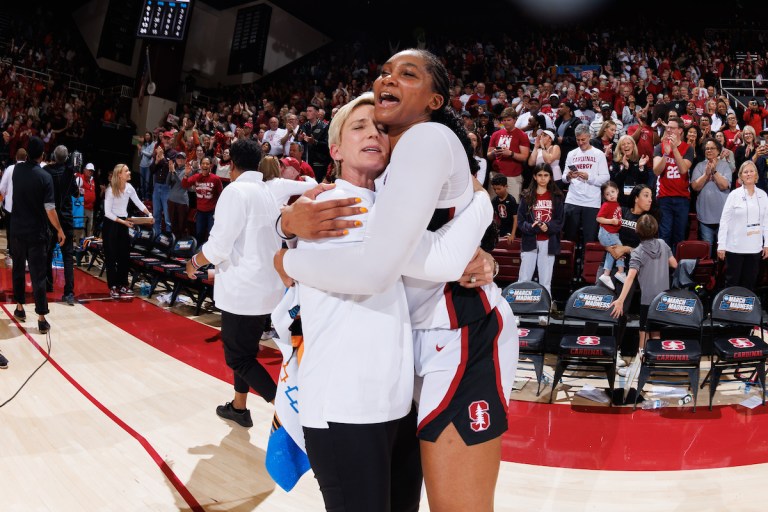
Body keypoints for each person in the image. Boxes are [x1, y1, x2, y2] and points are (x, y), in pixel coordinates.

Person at [276, 48, 517, 512]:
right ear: (336, 149)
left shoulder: (426, 140)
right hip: (400, 357)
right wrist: (285, 229)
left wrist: (291, 259)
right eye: (383, 71)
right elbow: (415, 244)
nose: (387, 78)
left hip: (458, 331)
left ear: (435, 101)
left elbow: (398, 260)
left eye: (407, 74)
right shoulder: (362, 187)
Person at [181, 139, 283, 430]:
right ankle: (239, 408)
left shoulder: (235, 192)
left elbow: (219, 246)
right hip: (266, 288)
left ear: (232, 164)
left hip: (244, 289)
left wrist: (195, 262)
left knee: (238, 359)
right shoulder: (266, 191)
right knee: (246, 353)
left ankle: (287, 411)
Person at [10, 137, 66, 334]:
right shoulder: (45, 177)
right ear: (42, 155)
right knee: (38, 275)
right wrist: (59, 229)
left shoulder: (16, 170)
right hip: (36, 233)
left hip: (16, 230)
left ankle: (19, 308)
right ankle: (41, 318)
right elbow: (50, 209)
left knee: (17, 269)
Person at [609, 215, 677, 360]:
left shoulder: (637, 252)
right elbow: (674, 264)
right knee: (656, 332)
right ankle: (656, 363)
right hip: (662, 299)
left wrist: (620, 300)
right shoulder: (663, 244)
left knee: (644, 333)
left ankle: (642, 365)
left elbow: (630, 277)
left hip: (647, 301)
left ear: (637, 230)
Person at [516, 163, 564, 317]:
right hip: (530, 242)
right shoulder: (526, 196)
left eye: (546, 175)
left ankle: (544, 313)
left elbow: (560, 221)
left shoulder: (556, 196)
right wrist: (533, 227)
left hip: (548, 242)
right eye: (540, 175)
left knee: (545, 280)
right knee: (524, 278)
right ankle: (518, 312)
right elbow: (521, 222)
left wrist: (548, 227)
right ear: (535, 177)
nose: (543, 178)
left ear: (550, 177)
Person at [717, 161, 768, 289]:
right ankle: (729, 309)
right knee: (732, 284)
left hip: (755, 248)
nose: (749, 174)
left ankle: (747, 309)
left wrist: (766, 244)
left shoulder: (763, 195)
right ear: (741, 176)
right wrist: (721, 245)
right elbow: (724, 221)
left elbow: (766, 221)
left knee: (750, 284)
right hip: (735, 248)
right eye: (745, 172)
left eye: (751, 171)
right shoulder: (734, 195)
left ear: (756, 175)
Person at [103, 164, 151, 299]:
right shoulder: (110, 190)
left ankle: (123, 284)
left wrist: (149, 214)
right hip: (111, 223)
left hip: (124, 223)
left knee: (124, 255)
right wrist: (123, 222)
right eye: (126, 171)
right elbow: (107, 213)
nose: (129, 172)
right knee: (111, 257)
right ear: (119, 175)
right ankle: (113, 286)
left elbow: (138, 202)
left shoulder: (129, 188)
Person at [562, 124, 610, 246]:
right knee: (569, 238)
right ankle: (570, 264)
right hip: (573, 199)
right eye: (578, 140)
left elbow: (606, 178)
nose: (580, 142)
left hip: (592, 202)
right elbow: (564, 177)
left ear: (589, 137)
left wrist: (589, 177)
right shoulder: (571, 154)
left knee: (589, 239)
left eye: (583, 139)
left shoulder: (598, 154)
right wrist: (568, 176)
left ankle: (586, 264)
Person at [44, 145, 79, 305]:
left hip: (51, 218)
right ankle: (69, 293)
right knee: (68, 257)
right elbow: (76, 193)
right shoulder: (70, 174)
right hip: (66, 219)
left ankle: (47, 284)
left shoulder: (46, 172)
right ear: (66, 158)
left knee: (48, 251)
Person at [652, 117, 693, 252]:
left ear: (680, 130)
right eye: (667, 127)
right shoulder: (659, 147)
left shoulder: (688, 149)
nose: (668, 130)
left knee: (679, 235)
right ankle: (664, 268)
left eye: (672, 128)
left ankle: (676, 269)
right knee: (664, 234)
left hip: (682, 198)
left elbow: (683, 169)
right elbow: (657, 171)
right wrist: (666, 154)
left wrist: (674, 150)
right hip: (664, 197)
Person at [691, 138, 732, 256]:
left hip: (723, 217)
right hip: (705, 217)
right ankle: (708, 273)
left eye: (712, 148)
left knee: (722, 250)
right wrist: (706, 174)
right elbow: (695, 187)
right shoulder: (699, 166)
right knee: (706, 250)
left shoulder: (725, 166)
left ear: (718, 151)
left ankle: (720, 273)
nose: (709, 150)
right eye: (707, 148)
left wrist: (714, 172)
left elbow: (724, 185)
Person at [487, 107, 529, 201]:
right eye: (504, 120)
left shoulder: (522, 135)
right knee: (492, 205)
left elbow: (524, 157)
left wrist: (511, 154)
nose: (506, 122)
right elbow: (488, 155)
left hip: (513, 176)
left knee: (513, 206)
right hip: (496, 175)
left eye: (509, 120)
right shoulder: (496, 134)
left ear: (515, 120)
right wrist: (494, 153)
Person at [182, 155, 223, 245]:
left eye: (207, 164)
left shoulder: (216, 179)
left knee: (211, 234)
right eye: (203, 163)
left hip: (211, 212)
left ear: (210, 166)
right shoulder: (196, 177)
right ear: (200, 166)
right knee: (199, 233)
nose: (205, 165)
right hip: (200, 211)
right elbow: (184, 185)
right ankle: (199, 253)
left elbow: (221, 195)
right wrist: (186, 174)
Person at [0, 148, 27, 263]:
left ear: (16, 157)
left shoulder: (10, 169)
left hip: (10, 207)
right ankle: (24, 254)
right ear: (26, 158)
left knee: (11, 231)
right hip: (25, 208)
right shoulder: (30, 169)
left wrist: (5, 196)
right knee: (24, 231)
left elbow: (1, 188)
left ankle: (11, 254)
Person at [611, 135, 650, 207]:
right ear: (620, 148)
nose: (626, 146)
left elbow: (645, 181)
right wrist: (625, 168)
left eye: (628, 143)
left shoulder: (640, 161)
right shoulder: (616, 162)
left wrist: (641, 167)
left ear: (633, 145)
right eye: (623, 144)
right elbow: (615, 182)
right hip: (621, 201)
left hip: (636, 200)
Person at [167, 152, 191, 238]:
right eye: (178, 158)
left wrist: (173, 171)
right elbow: (167, 182)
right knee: (173, 225)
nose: (180, 160)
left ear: (185, 160)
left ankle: (182, 247)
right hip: (172, 200)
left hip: (182, 202)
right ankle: (173, 245)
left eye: (182, 158)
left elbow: (182, 184)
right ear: (176, 160)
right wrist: (170, 171)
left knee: (182, 226)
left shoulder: (188, 170)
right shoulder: (175, 169)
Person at [491, 173, 517, 241]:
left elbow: (515, 218)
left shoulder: (511, 200)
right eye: (494, 189)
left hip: (510, 229)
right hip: (500, 229)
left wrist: (513, 234)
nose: (496, 191)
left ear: (506, 186)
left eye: (499, 189)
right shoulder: (494, 201)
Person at [76, 163, 97, 238]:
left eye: (92, 171)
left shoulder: (92, 180)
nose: (90, 172)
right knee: (82, 226)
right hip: (83, 208)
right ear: (84, 170)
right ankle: (80, 243)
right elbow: (75, 192)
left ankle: (88, 242)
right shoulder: (80, 179)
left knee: (90, 226)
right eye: (89, 170)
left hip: (90, 208)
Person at [137, 131, 155, 200]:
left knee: (147, 183)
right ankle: (142, 197)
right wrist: (139, 150)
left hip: (148, 166)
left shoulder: (152, 144)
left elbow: (150, 155)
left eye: (148, 135)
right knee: (142, 183)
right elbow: (140, 156)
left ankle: (147, 198)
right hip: (142, 165)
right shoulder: (144, 144)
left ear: (150, 136)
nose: (147, 136)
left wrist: (141, 150)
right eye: (146, 135)